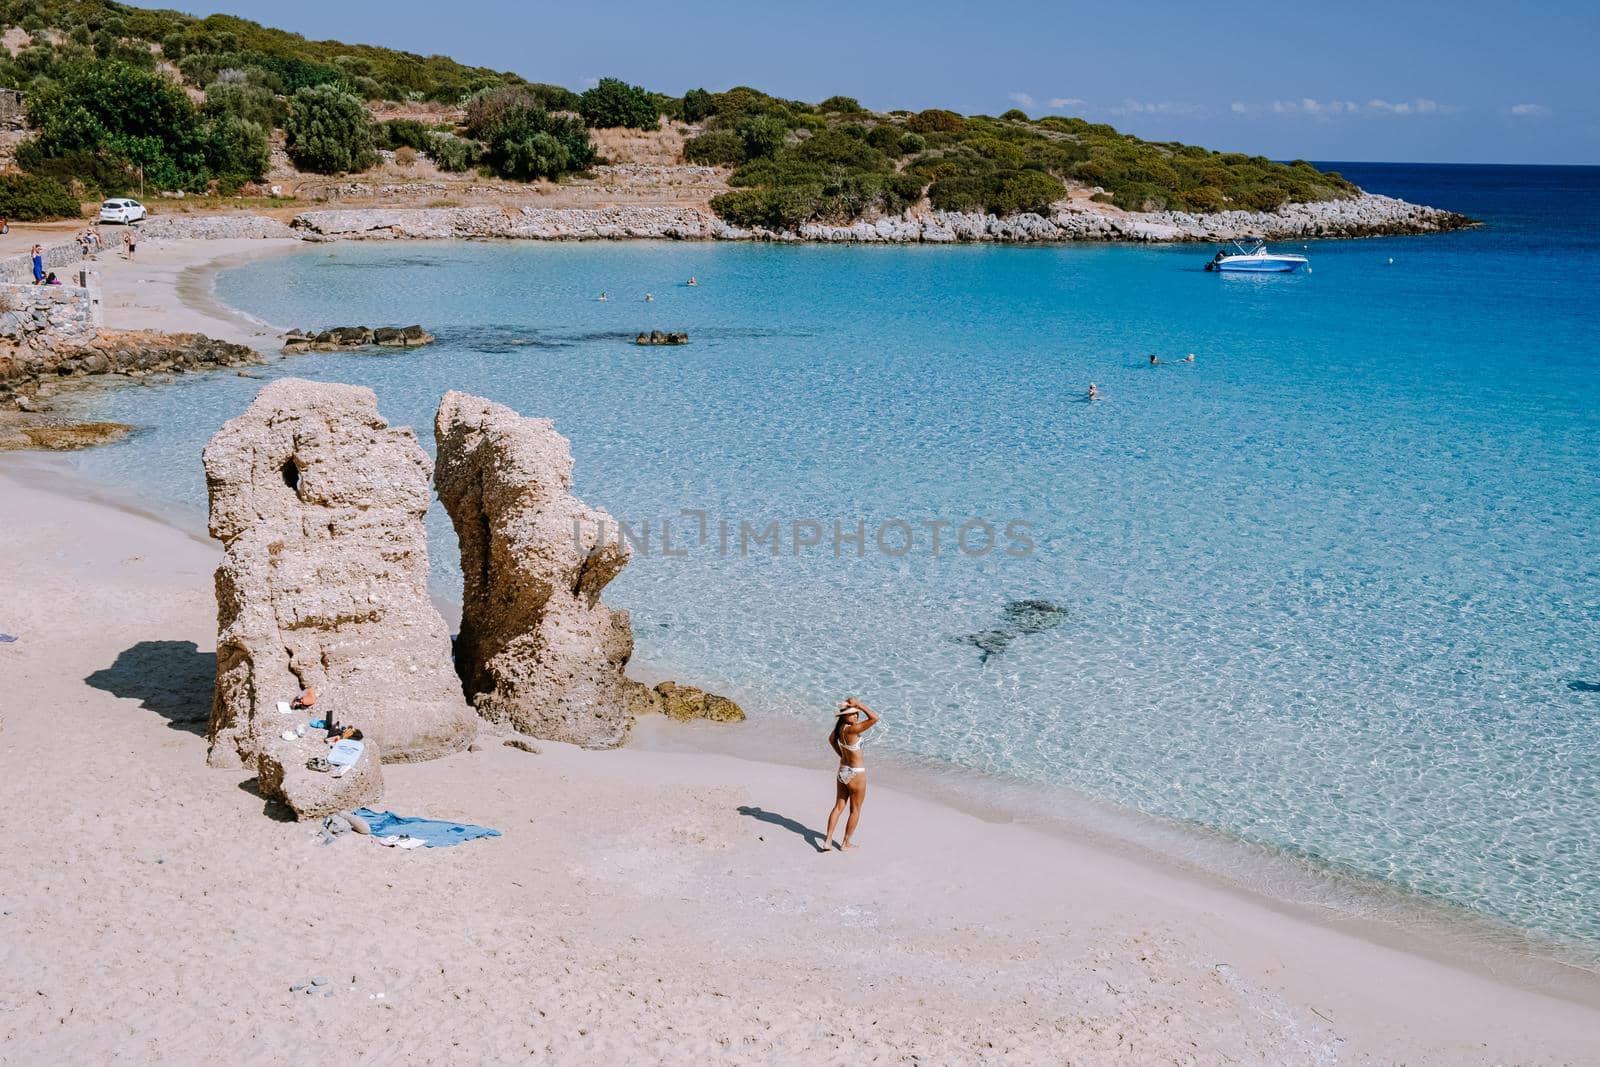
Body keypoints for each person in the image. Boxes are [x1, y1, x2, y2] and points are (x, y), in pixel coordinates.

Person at [823, 697, 879, 851]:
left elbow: (831, 740)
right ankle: (845, 843)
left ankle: (828, 841)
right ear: (843, 716)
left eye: (857, 714)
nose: (855, 716)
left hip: (843, 771)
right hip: (856, 773)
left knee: (839, 806)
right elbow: (875, 718)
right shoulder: (853, 729)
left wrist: (841, 754)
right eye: (852, 714)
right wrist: (859, 704)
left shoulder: (839, 730)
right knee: (855, 810)